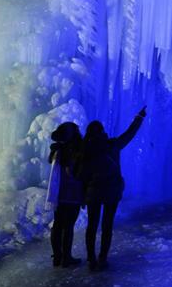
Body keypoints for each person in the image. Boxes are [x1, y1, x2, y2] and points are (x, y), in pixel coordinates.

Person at [77, 106, 147, 271]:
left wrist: (82, 196)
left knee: (92, 226)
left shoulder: (85, 150)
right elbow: (130, 134)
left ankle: (91, 259)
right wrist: (139, 117)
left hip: (93, 193)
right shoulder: (112, 145)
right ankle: (103, 258)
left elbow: (81, 175)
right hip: (111, 192)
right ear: (101, 131)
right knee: (107, 226)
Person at [47, 121, 84, 268]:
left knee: (58, 224)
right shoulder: (76, 149)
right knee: (68, 226)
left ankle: (57, 256)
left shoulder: (58, 149)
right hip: (73, 192)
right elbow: (78, 172)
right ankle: (66, 257)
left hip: (59, 193)